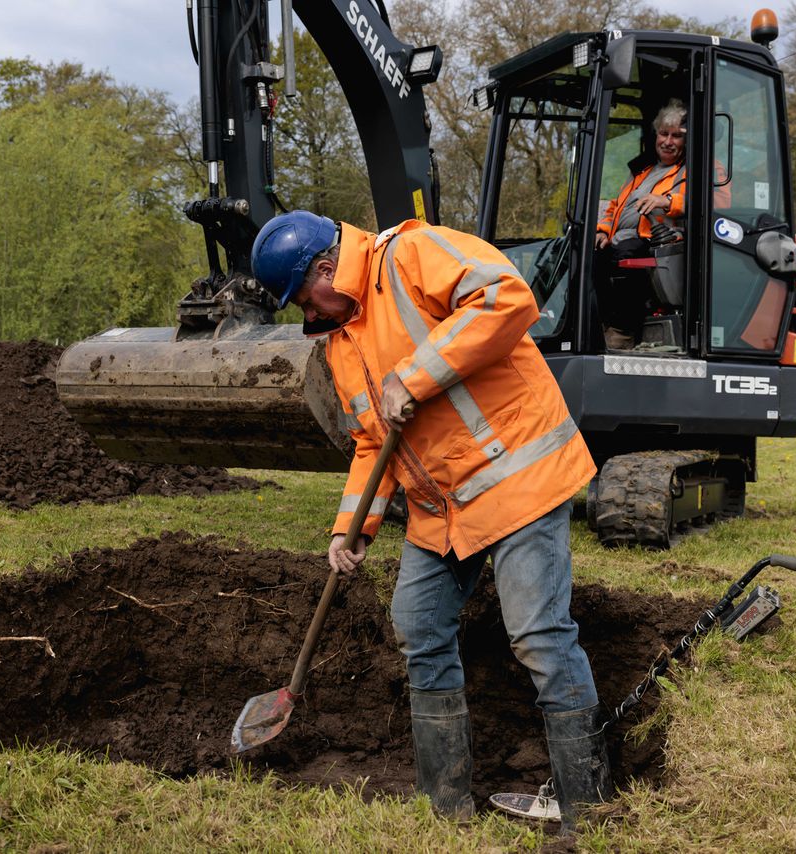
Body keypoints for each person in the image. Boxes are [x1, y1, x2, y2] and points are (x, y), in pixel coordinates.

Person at [251, 209, 609, 834]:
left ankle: (589, 807)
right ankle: (445, 806)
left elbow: (508, 296)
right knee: (418, 626)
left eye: (305, 300)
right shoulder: (342, 342)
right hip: (441, 510)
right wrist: (350, 528)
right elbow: (371, 441)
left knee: (539, 638)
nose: (308, 317)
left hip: (518, 479)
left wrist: (417, 374)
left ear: (327, 269)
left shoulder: (412, 256)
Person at [594, 99, 727, 350]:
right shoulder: (642, 171)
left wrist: (668, 201)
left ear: (688, 141)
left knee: (628, 255)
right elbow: (615, 206)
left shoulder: (700, 168)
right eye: (663, 133)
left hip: (662, 242)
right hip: (621, 237)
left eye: (677, 136)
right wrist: (602, 231)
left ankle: (623, 332)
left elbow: (717, 203)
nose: (668, 141)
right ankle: (600, 325)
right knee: (589, 255)